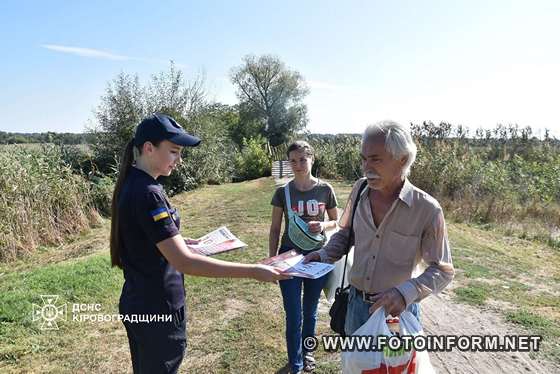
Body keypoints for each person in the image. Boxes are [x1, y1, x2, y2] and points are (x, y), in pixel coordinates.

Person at [110, 113, 288, 374]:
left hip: (140, 302)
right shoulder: (149, 193)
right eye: (173, 152)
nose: (179, 161)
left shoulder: (135, 183)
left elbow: (147, 239)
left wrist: (180, 241)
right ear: (149, 148)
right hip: (158, 310)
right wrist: (252, 270)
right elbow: (184, 263)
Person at [304, 120, 454, 336]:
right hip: (355, 306)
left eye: (375, 159)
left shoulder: (427, 209)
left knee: (393, 368)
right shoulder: (360, 189)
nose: (367, 168)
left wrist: (404, 294)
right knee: (357, 367)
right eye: (364, 159)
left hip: (396, 313)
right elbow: (345, 233)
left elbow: (443, 269)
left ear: (402, 159)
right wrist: (324, 254)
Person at [269, 141, 338, 374]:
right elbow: (275, 229)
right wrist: (272, 261)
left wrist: (323, 224)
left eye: (302, 159)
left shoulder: (325, 190)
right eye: (293, 161)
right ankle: (295, 363)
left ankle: (307, 352)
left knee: (310, 309)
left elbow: (337, 222)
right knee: (293, 312)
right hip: (289, 257)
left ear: (312, 159)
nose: (298, 165)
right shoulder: (282, 192)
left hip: (317, 258)